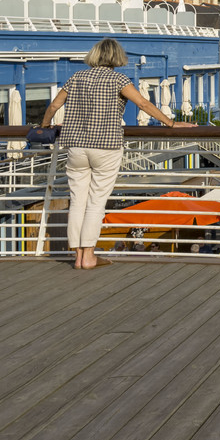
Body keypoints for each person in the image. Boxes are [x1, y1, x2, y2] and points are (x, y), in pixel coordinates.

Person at [38, 38, 194, 269]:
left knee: (78, 201)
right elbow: (142, 103)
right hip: (105, 146)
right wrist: (170, 124)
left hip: (75, 147)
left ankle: (78, 255)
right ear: (117, 57)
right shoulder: (118, 79)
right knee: (96, 201)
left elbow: (53, 106)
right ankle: (89, 256)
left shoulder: (76, 77)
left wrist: (45, 126)